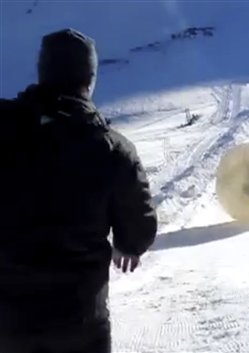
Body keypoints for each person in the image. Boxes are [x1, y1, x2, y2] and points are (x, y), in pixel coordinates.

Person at [0, 28, 157, 353]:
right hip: (80, 324)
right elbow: (140, 228)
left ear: (43, 72)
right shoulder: (113, 149)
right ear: (89, 80)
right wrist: (128, 245)